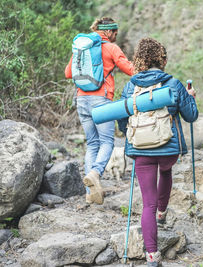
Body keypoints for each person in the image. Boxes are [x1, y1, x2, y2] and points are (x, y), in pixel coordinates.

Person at [117, 37, 198, 267]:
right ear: (162, 60)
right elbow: (191, 116)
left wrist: (132, 135)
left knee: (147, 205)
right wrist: (191, 98)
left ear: (139, 60)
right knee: (166, 170)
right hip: (168, 148)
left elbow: (123, 121)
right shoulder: (173, 83)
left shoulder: (130, 86)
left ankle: (151, 256)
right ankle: (162, 212)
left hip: (141, 149)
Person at [65, 17, 134, 205]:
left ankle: (90, 193)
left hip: (81, 99)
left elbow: (68, 73)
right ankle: (95, 173)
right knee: (107, 143)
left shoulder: (83, 47)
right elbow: (130, 70)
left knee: (93, 144)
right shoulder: (111, 48)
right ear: (109, 32)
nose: (116, 37)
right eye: (115, 33)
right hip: (101, 100)